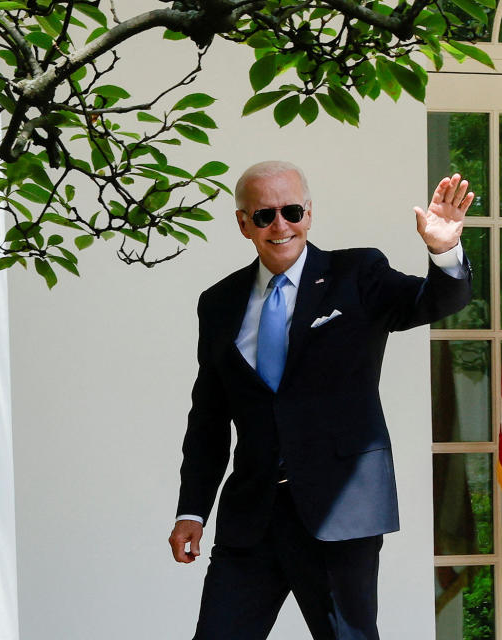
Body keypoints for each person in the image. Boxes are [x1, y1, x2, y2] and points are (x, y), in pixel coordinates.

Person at [168, 160, 473, 639]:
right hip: (252, 516)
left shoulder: (357, 273)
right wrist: (192, 509)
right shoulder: (219, 302)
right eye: (264, 215)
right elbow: (208, 417)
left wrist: (445, 249)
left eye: (291, 211)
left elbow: (433, 302)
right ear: (243, 223)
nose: (280, 225)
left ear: (309, 213)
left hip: (341, 512)